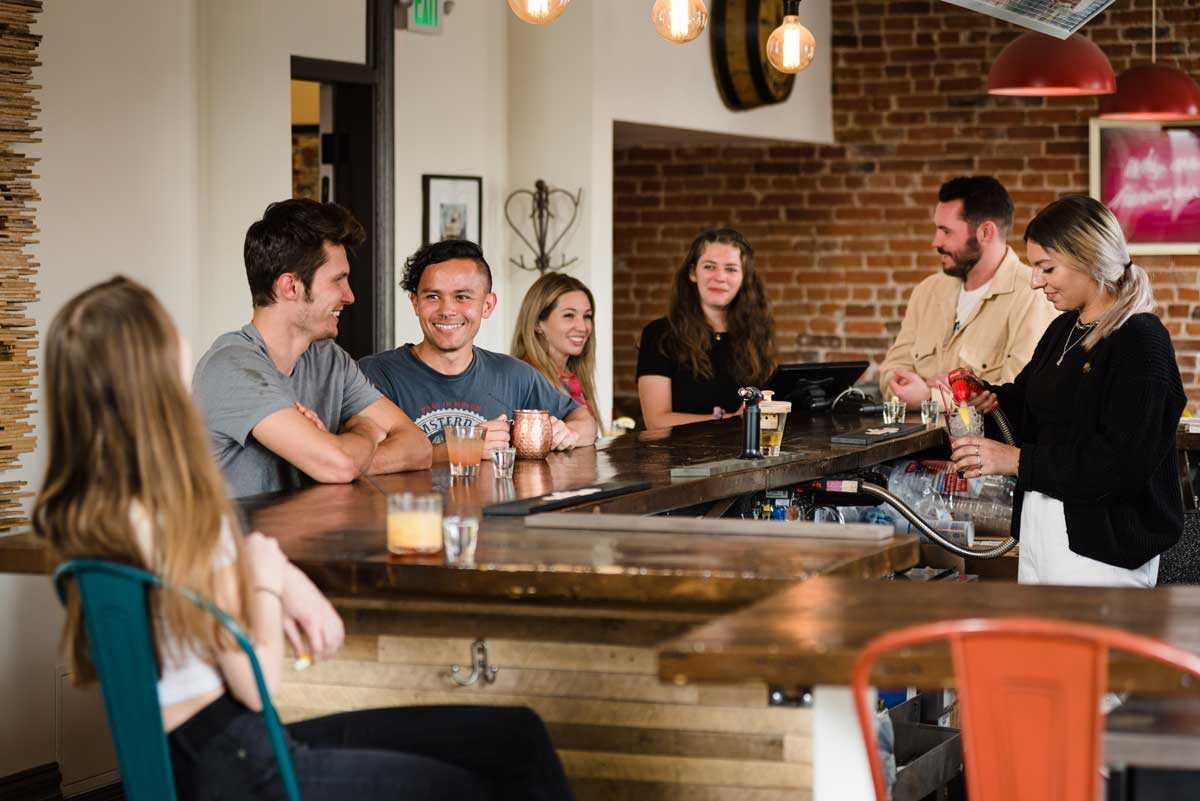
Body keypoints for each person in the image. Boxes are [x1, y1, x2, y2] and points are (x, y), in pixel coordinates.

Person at [33, 276, 578, 801]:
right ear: (155, 380)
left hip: (205, 759)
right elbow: (258, 685)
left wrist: (259, 566)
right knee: (473, 777)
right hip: (248, 769)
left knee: (511, 735)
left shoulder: (92, 516)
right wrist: (269, 581)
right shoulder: (179, 516)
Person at [949, 195, 1186, 588]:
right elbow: (1033, 408)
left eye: (1047, 268)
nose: (1034, 280)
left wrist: (1018, 462)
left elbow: (1119, 463)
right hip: (1042, 528)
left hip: (1105, 548)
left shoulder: (1141, 341)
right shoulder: (1064, 329)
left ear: (1090, 260)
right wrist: (991, 401)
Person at [192, 199, 431, 497]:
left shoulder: (329, 359)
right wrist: (365, 432)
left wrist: (342, 455)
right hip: (241, 543)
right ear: (290, 286)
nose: (350, 296)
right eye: (338, 281)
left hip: (309, 537)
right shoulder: (231, 367)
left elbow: (418, 447)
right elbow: (339, 466)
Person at [360, 240, 596, 459]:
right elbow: (362, 461)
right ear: (416, 303)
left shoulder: (514, 375)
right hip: (416, 505)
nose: (447, 310)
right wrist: (463, 447)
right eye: (433, 296)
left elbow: (584, 421)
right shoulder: (374, 374)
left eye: (462, 297)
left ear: (488, 305)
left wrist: (569, 433)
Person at [880, 176, 1057, 410]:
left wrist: (929, 397)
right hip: (916, 445)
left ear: (985, 232)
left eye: (946, 231)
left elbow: (1017, 393)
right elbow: (891, 372)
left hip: (985, 445)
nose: (936, 242)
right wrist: (931, 391)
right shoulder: (927, 291)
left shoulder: (1033, 295)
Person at [636, 228, 776, 429]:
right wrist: (733, 420)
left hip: (744, 458)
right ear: (693, 273)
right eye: (710, 267)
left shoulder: (757, 334)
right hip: (679, 458)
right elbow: (656, 422)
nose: (720, 277)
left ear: (744, 278)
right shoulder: (659, 335)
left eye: (731, 269)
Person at [511, 272, 602, 430]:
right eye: (569, 315)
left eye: (587, 316)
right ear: (538, 323)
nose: (583, 327)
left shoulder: (573, 378)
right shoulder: (527, 379)